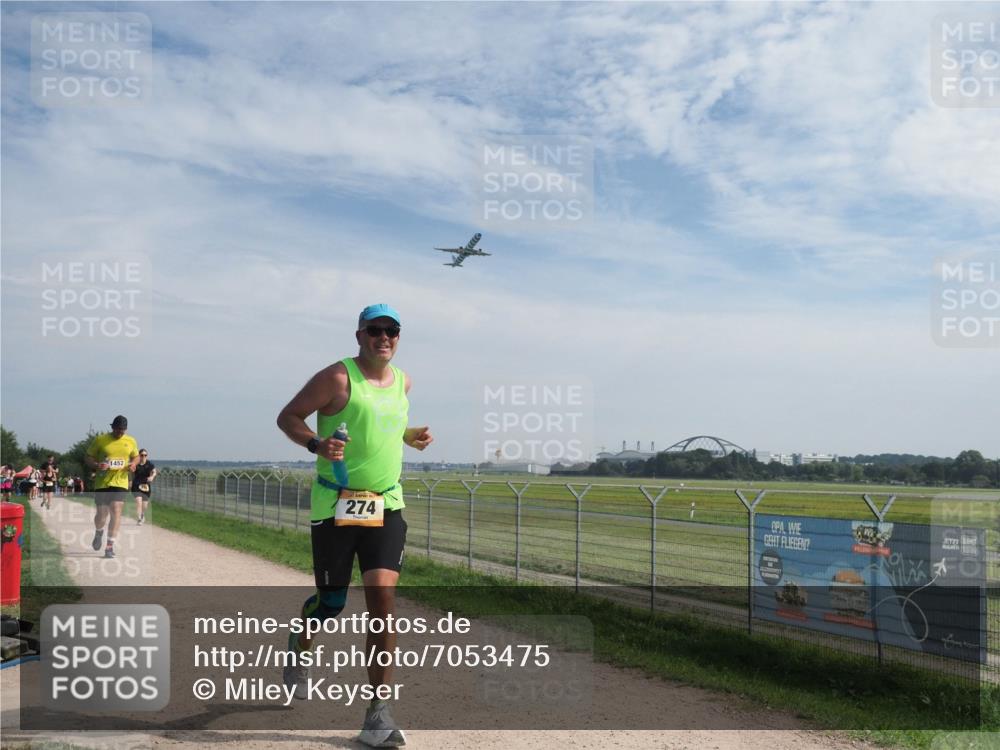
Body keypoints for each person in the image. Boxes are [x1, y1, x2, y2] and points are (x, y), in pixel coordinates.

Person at [276, 303, 432, 748]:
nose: (384, 337)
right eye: (374, 330)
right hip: (336, 504)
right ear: (359, 335)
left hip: (386, 504)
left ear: (399, 336)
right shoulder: (337, 378)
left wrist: (408, 435)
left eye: (392, 330)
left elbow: (382, 424)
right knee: (331, 603)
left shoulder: (404, 381)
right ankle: (301, 639)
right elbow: (288, 417)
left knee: (383, 600)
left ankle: (377, 714)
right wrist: (316, 444)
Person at [85, 415, 140, 558]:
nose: (119, 432)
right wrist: (97, 465)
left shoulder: (131, 441)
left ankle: (109, 546)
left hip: (120, 482)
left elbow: (136, 456)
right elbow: (88, 457)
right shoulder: (100, 440)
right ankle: (99, 532)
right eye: (117, 429)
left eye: (122, 430)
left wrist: (133, 464)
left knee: (116, 510)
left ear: (126, 429)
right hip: (102, 482)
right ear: (112, 427)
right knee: (102, 515)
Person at [132, 449, 156, 525]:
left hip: (146, 486)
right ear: (139, 456)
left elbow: (154, 471)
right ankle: (139, 518)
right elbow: (130, 471)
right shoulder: (136, 464)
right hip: (136, 485)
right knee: (138, 502)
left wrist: (152, 477)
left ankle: (142, 514)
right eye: (142, 455)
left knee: (145, 505)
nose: (143, 457)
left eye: (145, 455)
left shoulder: (149, 464)